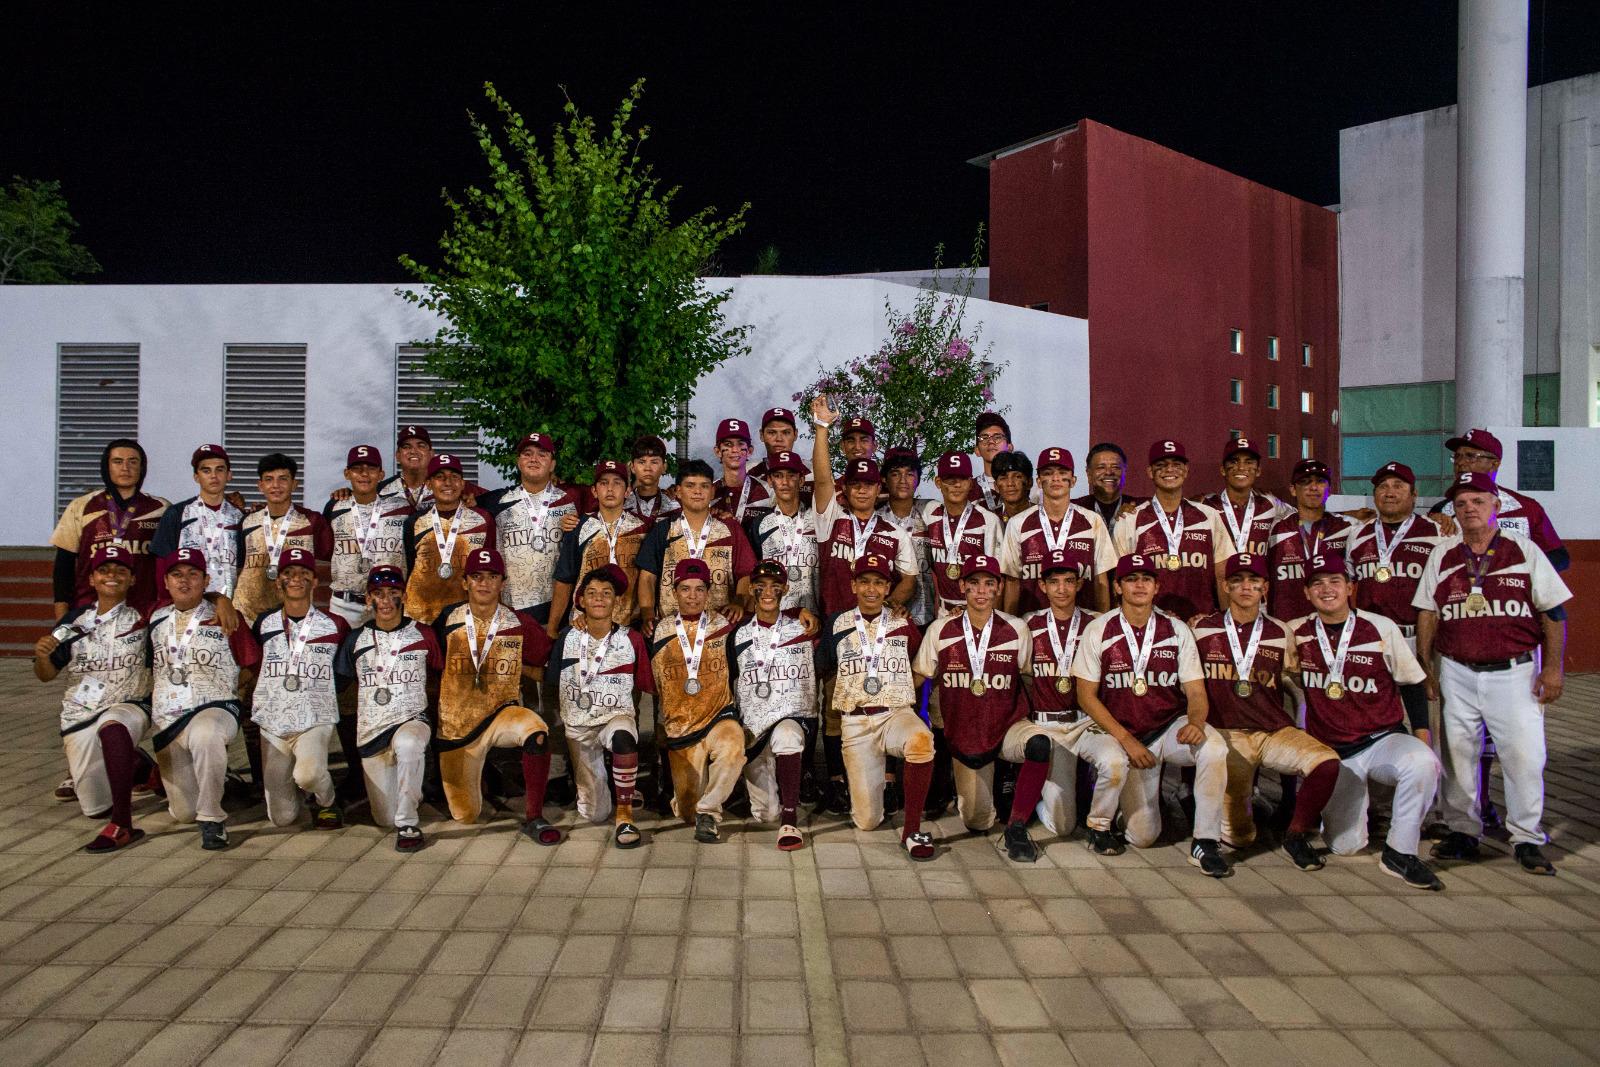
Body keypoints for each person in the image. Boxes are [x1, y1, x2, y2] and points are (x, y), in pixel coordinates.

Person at [1415, 471, 1571, 876]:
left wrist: (1552, 668)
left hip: (1515, 670)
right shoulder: (1444, 554)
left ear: (1496, 505)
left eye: (1478, 501)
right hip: (1455, 668)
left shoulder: (1524, 550)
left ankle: (1527, 837)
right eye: (1462, 503)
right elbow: (1427, 612)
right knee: (1457, 754)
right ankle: (1463, 830)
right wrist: (1427, 667)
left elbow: (1553, 611)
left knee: (1524, 756)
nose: (1469, 509)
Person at [1289, 552, 1443, 890]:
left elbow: (1411, 683)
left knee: (1421, 763)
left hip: (1380, 739)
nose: (1326, 589)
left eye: (1334, 581)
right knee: (1345, 847)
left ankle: (1400, 852)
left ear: (1350, 588)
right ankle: (1359, 815)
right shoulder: (1295, 634)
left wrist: (1422, 735)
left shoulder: (1380, 626)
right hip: (1333, 753)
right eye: (1317, 583)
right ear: (1306, 593)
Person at [1072, 552, 1232, 877]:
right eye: (1131, 579)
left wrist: (1197, 721)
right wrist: (1127, 740)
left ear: (1157, 586)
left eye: (1146, 579)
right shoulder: (1099, 629)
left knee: (1214, 748)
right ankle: (1110, 818)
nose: (1139, 585)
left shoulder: (1176, 630)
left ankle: (1205, 841)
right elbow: (1085, 696)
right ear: (1118, 587)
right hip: (1122, 733)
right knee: (1143, 838)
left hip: (1166, 728)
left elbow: (1196, 691)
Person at [1190, 552, 1338, 870]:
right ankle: (1244, 811)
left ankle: (1295, 835)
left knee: (1326, 763)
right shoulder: (1201, 630)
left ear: (1265, 587)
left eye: (1254, 580)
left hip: (1272, 731)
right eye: (1237, 580)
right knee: (1239, 838)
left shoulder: (1281, 631)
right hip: (1227, 734)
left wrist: (1306, 717)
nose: (1246, 587)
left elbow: (1296, 678)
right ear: (1226, 586)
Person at [913, 555, 1050, 861]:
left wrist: (1031, 716)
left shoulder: (1016, 629)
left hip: (1008, 726)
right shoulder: (941, 629)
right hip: (965, 731)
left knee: (1039, 744)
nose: (981, 591)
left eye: (989, 583)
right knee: (977, 821)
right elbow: (919, 675)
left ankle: (1016, 826)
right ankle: (965, 789)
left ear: (999, 588)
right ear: (962, 586)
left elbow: (1026, 677)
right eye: (974, 583)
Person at [33, 543, 158, 852]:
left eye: (120, 570)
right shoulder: (73, 623)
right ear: (91, 579)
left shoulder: (144, 618)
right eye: (103, 570)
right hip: (81, 711)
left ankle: (123, 824)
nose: (111, 575)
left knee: (113, 726)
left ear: (131, 579)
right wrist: (43, 657)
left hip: (129, 703)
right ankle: (139, 765)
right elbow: (46, 674)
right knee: (93, 807)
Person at [431, 547, 560, 841]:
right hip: (457, 726)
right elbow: (430, 666)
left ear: (503, 582)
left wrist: (520, 668)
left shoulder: (518, 622)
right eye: (477, 576)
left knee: (536, 732)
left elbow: (547, 665)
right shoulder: (447, 620)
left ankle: (534, 817)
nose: (484, 583)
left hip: (502, 713)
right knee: (465, 816)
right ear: (465, 582)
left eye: (492, 576)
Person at [816, 553, 936, 860]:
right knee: (867, 822)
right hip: (856, 724)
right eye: (865, 581)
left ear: (887, 588)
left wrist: (902, 687)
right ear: (854, 585)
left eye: (879, 583)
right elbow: (824, 667)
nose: (872, 589)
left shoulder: (902, 622)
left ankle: (912, 829)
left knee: (921, 741)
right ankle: (878, 790)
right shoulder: (838, 623)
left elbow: (921, 665)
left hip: (895, 714)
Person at [148, 547, 262, 851]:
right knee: (184, 813)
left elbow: (252, 663)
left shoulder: (226, 616)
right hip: (169, 716)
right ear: (166, 581)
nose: (184, 581)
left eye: (193, 574)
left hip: (214, 706)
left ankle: (213, 819)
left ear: (205, 579)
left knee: (206, 734)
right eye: (177, 574)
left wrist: (231, 688)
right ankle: (216, 778)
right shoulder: (154, 618)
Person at [1018, 551, 1124, 850]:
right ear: (1042, 586)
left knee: (1115, 761)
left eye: (1068, 581)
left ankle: (1100, 825)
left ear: (1079, 585)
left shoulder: (1098, 623)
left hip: (1085, 722)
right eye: (1054, 582)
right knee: (1063, 826)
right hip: (1049, 726)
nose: (1062, 589)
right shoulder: (1027, 624)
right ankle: (1041, 795)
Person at [334, 564, 442, 852]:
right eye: (378, 594)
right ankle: (405, 796)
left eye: (393, 592)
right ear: (368, 600)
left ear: (404, 596)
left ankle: (408, 823)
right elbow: (338, 684)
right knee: (383, 818)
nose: (385, 600)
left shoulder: (424, 634)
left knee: (409, 745)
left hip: (411, 718)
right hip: (372, 729)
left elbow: (442, 675)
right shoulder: (355, 639)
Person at [547, 564, 654, 848]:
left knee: (624, 738)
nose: (599, 598)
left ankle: (625, 813)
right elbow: (550, 682)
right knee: (594, 814)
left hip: (613, 718)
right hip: (579, 727)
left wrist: (626, 713)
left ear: (616, 601)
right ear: (580, 601)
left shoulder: (631, 639)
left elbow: (642, 687)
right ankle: (617, 786)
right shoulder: (567, 638)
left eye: (606, 593)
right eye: (591, 593)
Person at [247, 547, 350, 829]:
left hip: (314, 717)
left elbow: (343, 670)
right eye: (288, 573)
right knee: (282, 818)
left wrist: (320, 691)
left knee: (308, 774)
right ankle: (296, 788)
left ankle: (327, 800)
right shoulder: (263, 623)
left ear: (314, 582)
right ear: (278, 581)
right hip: (273, 720)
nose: (296, 579)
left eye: (304, 573)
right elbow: (257, 664)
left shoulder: (335, 625)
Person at [647, 558, 745, 843]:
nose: (692, 596)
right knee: (686, 812)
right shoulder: (657, 631)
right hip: (681, 729)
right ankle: (692, 804)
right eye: (686, 589)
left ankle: (710, 811)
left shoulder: (726, 626)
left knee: (733, 744)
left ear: (709, 592)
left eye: (699, 589)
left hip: (718, 717)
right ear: (674, 591)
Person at [730, 561, 819, 850]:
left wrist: (797, 612)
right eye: (761, 585)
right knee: (764, 813)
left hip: (789, 717)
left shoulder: (805, 628)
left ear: (785, 589)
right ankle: (755, 784)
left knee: (788, 735)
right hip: (754, 729)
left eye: (775, 586)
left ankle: (790, 819)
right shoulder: (737, 633)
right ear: (751, 588)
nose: (767, 591)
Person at [50, 437, 167, 620]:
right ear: (107, 466)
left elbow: (170, 565)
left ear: (142, 467)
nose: (125, 468)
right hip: (88, 612)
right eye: (117, 461)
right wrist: (62, 618)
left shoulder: (161, 509)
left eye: (133, 461)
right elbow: (63, 567)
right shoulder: (81, 506)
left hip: (143, 612)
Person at [477, 433, 585, 625]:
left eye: (542, 454)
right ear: (518, 461)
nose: (534, 459)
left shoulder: (574, 499)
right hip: (512, 610)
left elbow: (612, 495)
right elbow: (460, 499)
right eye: (527, 454)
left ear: (552, 464)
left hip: (559, 612)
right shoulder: (495, 501)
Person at [635, 458, 756, 629]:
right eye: (690, 485)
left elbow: (745, 573)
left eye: (704, 486)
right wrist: (647, 613)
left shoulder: (730, 528)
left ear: (713, 491)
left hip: (719, 626)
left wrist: (739, 601)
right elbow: (647, 577)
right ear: (678, 491)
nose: (697, 491)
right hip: (671, 626)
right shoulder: (663, 529)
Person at [1113, 441, 1224, 620]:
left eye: (1176, 465)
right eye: (1161, 465)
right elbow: (1120, 581)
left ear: (1186, 470)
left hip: (1203, 623)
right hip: (1150, 626)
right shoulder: (1130, 520)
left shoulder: (1209, 516)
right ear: (1150, 472)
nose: (1169, 470)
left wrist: (1225, 623)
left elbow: (1221, 575)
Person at [1347, 463, 1447, 661]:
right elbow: (1348, 585)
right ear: (1375, 495)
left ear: (1414, 494)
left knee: (1421, 692)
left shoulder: (1437, 532)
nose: (1390, 492)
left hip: (1419, 638)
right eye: (1383, 486)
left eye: (1398, 486)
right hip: (1369, 638)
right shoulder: (1358, 534)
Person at [1427, 428, 1567, 571]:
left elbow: (1559, 558)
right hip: (1459, 590)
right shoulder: (1442, 510)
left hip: (1511, 589)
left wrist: (1517, 569)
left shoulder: (1526, 507)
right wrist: (1429, 524)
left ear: (1494, 464)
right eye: (1457, 456)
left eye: (1470, 456)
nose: (1461, 463)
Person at [1000, 446, 1116, 616]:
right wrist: (1010, 629)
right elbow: (1012, 581)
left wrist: (1103, 625)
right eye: (1048, 473)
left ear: (1073, 480)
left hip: (1083, 627)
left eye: (1062, 472)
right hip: (1032, 625)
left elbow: (1101, 580)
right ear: (1039, 481)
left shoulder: (1092, 521)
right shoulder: (1018, 523)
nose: (1055, 478)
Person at [151, 444, 245, 636]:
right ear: (196, 477)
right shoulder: (177, 514)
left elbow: (245, 570)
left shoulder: (241, 518)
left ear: (229, 475)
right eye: (206, 470)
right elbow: (163, 568)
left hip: (232, 610)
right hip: (187, 609)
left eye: (220, 469)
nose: (213, 476)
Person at [549, 459, 650, 635]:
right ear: (594, 491)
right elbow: (565, 579)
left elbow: (649, 578)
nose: (610, 489)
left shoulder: (644, 527)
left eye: (617, 483)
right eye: (604, 483)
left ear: (627, 491)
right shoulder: (579, 526)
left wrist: (648, 617)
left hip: (629, 624)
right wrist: (552, 627)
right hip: (583, 624)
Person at [234, 453, 334, 624]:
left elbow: (329, 561)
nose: (276, 486)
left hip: (292, 616)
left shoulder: (312, 521)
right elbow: (239, 567)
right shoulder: (247, 521)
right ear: (260, 485)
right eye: (269, 479)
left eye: (283, 479)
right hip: (247, 614)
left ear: (294, 484)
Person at [402, 452, 496, 625]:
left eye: (454, 477)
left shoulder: (483, 519)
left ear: (462, 483)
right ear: (429, 484)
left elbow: (491, 569)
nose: (448, 482)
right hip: (420, 614)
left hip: (464, 615)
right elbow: (408, 566)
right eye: (440, 477)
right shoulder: (415, 522)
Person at [323, 444, 411, 628]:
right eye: (357, 469)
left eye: (371, 468)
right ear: (347, 474)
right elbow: (325, 549)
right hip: (345, 604)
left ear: (381, 474)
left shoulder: (402, 508)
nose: (364, 474)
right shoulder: (335, 507)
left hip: (387, 603)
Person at [1266, 459, 1358, 624]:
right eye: (1305, 482)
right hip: (1287, 626)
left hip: (1335, 626)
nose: (1314, 488)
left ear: (1329, 489)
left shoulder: (1348, 527)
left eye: (1320, 482)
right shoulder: (1275, 529)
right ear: (1293, 490)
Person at [923, 452, 1005, 617]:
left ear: (970, 482)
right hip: (943, 611)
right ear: (938, 482)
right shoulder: (929, 514)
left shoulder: (988, 520)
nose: (956, 485)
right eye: (950, 479)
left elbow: (998, 578)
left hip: (979, 610)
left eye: (962, 479)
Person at [1199, 437, 1290, 583]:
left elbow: (1303, 517)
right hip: (1219, 593)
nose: (1241, 467)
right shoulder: (1206, 506)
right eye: (1234, 461)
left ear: (1258, 470)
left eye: (1249, 462)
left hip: (1260, 596)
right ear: (1223, 469)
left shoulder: (1271, 504)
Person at [742, 450, 820, 616]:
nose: (785, 482)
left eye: (791, 475)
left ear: (801, 480)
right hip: (774, 617)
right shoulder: (760, 524)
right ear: (770, 481)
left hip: (814, 615)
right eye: (778, 476)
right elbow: (752, 573)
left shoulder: (817, 520)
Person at [878, 447, 935, 625]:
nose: (903, 480)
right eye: (895, 474)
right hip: (890, 614)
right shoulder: (875, 520)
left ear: (918, 479)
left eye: (909, 474)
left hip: (930, 614)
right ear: (884, 479)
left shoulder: (932, 513)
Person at [710, 417, 773, 522]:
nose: (735, 450)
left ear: (749, 450)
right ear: (718, 451)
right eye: (728, 444)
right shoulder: (708, 492)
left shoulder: (769, 490)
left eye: (740, 444)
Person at [1073, 443, 1146, 529]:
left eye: (1115, 467)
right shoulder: (1074, 509)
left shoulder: (1141, 508)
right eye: (1101, 467)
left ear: (1124, 472)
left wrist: (1137, 515)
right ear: (1089, 474)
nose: (1109, 472)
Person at [378, 424, 438, 511]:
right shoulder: (379, 490)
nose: (413, 451)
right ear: (397, 455)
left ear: (431, 454)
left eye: (421, 446)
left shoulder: (446, 488)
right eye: (406, 447)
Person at [624, 434, 680, 524]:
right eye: (642, 462)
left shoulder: (675, 508)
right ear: (633, 467)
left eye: (654, 462)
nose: (647, 468)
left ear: (664, 467)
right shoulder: (621, 505)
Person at [973, 412, 1014, 511]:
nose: (990, 442)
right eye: (984, 438)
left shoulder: (1023, 485)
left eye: (997, 437)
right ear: (977, 450)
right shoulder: (969, 489)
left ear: (1010, 447)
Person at [990, 451, 1035, 527]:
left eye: (1017, 477)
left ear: (1029, 482)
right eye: (1003, 478)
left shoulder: (1043, 515)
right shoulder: (989, 519)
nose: (1010, 483)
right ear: (996, 486)